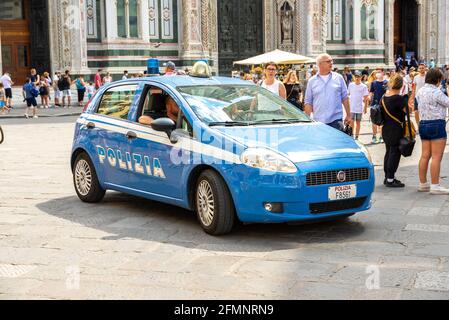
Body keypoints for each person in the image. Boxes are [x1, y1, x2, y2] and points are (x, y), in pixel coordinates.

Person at [416, 68, 449, 194]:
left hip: (423, 124)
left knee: (425, 155)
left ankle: (423, 183)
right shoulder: (437, 92)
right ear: (438, 79)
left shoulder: (420, 91)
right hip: (436, 124)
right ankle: (435, 186)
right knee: (436, 157)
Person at [304, 54, 352, 131]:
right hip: (318, 121)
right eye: (328, 61)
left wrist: (349, 115)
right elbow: (308, 102)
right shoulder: (312, 81)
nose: (331, 63)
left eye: (332, 61)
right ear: (320, 64)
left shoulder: (338, 78)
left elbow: (345, 98)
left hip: (336, 121)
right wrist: (307, 120)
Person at [381, 74, 408, 188]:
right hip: (396, 129)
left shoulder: (384, 97)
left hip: (386, 128)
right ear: (401, 85)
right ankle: (391, 179)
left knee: (388, 152)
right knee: (394, 153)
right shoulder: (398, 98)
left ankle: (387, 176)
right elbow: (407, 111)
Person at [348, 71, 369, 140]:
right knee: (351, 122)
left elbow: (366, 98)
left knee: (358, 123)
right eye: (356, 77)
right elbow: (348, 95)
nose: (357, 78)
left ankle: (356, 137)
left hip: (359, 107)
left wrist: (365, 108)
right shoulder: (351, 85)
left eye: (358, 77)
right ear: (354, 77)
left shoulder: (364, 86)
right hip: (352, 107)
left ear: (361, 77)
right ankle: (351, 135)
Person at [370, 71, 388, 143]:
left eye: (380, 72)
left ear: (383, 74)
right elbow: (371, 92)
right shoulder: (373, 83)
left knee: (383, 122)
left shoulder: (386, 82)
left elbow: (388, 92)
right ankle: (374, 137)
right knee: (374, 121)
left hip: (384, 105)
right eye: (377, 72)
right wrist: (369, 97)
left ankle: (381, 136)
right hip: (374, 105)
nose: (379, 74)